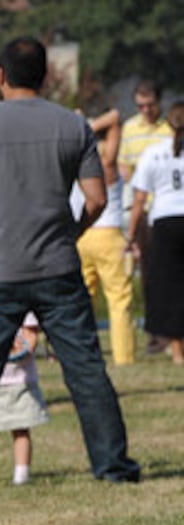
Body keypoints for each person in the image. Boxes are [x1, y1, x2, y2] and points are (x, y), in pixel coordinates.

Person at [0, 36, 140, 494]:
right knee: (84, 369)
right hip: (57, 266)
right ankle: (112, 465)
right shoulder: (72, 126)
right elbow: (97, 199)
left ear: (0, 76)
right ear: (44, 76)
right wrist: (73, 230)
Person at [71, 108, 137, 366]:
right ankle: (123, 357)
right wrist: (92, 124)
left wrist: (78, 122)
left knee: (81, 299)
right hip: (108, 233)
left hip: (82, 234)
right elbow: (116, 118)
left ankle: (80, 353)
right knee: (119, 300)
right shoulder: (107, 163)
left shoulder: (74, 163)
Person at [126, 100, 184, 365]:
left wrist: (130, 234)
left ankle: (176, 348)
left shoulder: (154, 152)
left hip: (163, 222)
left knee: (169, 286)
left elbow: (139, 201)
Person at [118, 80, 172, 355]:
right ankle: (156, 332)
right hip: (143, 209)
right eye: (140, 106)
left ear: (159, 102)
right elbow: (124, 166)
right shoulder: (130, 128)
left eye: (150, 105)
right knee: (149, 273)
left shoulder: (169, 129)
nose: (146, 110)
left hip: (165, 208)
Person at [0, 312, 48, 487]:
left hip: (20, 383)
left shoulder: (26, 312)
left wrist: (19, 350)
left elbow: (31, 338)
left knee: (21, 430)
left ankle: (22, 472)